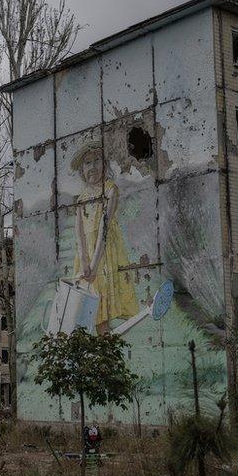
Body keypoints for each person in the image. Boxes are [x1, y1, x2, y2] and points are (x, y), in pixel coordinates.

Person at [71, 143, 138, 334]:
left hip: (104, 254)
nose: (92, 167)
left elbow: (104, 229)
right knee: (86, 307)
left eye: (97, 160)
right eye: (87, 163)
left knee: (102, 306)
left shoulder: (110, 190)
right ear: (82, 170)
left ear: (104, 163)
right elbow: (79, 232)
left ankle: (104, 347)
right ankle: (97, 350)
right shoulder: (82, 198)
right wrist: (84, 261)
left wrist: (94, 263)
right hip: (87, 257)